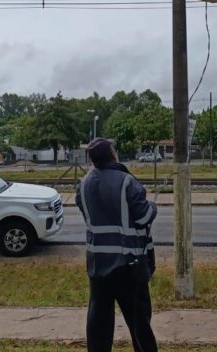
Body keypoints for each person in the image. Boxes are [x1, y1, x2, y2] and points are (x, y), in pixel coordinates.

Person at [76, 138, 158, 352]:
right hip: (128, 264)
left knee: (99, 322)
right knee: (139, 324)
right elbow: (143, 217)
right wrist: (153, 206)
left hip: (97, 265)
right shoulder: (127, 181)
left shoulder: (84, 184)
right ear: (112, 155)